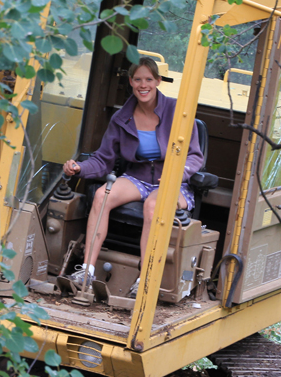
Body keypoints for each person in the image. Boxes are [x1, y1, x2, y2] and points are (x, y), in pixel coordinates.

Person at [62, 56, 203, 286]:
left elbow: (195, 156)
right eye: (138, 79)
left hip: (173, 183)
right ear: (130, 82)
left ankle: (145, 279)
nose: (143, 85)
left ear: (158, 81)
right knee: (101, 195)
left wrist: (176, 175)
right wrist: (78, 168)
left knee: (153, 205)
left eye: (148, 79)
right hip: (137, 179)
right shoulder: (121, 118)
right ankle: (86, 271)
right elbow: (103, 160)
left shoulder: (177, 111)